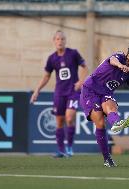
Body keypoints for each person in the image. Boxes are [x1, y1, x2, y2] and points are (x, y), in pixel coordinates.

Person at [80, 46, 129, 167]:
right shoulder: (120, 56)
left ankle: (116, 123)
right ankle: (107, 159)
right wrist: (120, 66)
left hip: (106, 93)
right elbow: (112, 60)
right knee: (100, 123)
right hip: (90, 90)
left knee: (111, 105)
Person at [30, 30, 88, 158]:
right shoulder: (52, 58)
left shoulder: (73, 53)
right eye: (57, 39)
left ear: (65, 41)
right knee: (60, 122)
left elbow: (85, 67)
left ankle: (69, 148)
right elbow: (46, 76)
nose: (60, 41)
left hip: (73, 92)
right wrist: (37, 91)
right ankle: (61, 150)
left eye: (62, 39)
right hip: (59, 93)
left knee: (69, 118)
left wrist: (81, 81)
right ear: (54, 41)